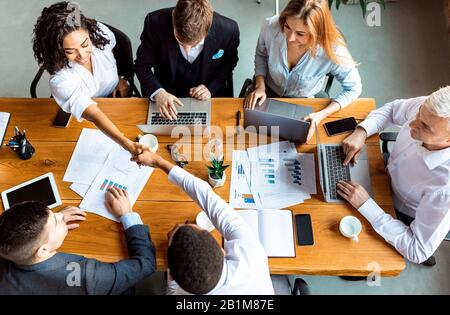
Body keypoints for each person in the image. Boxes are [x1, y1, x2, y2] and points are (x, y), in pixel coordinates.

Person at [131, 151, 274, 295]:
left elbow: (172, 291)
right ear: (221, 251)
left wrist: (158, 161)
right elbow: (208, 198)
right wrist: (159, 161)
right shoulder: (251, 254)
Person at [338, 86, 450, 266]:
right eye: (418, 113)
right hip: (384, 173)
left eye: (425, 127)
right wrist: (362, 132)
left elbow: (418, 250)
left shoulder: (445, 189)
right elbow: (391, 110)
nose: (412, 124)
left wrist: (367, 206)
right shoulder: (428, 110)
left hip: (401, 214)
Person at [0, 187, 156, 294]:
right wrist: (127, 214)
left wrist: (50, 224)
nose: (61, 215)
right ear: (43, 251)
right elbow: (147, 264)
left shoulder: (8, 248)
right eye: (56, 220)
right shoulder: (84, 276)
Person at [32, 2, 141, 155]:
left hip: (115, 98)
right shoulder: (60, 79)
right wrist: (125, 143)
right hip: (87, 116)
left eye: (85, 44)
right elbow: (93, 113)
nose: (82, 56)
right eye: (70, 51)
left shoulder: (101, 33)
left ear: (89, 33)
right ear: (58, 51)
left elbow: (118, 55)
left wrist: (122, 78)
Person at [245, 0, 362, 142]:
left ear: (317, 33)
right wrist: (260, 86)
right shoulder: (271, 26)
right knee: (249, 138)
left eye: (300, 34)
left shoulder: (334, 50)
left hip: (302, 102)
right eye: (287, 27)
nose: (289, 38)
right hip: (267, 92)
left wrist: (322, 115)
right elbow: (261, 54)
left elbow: (354, 88)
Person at [135, 0, 240, 120]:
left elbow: (229, 63)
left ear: (209, 25)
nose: (187, 49)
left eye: (195, 44)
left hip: (210, 97)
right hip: (166, 95)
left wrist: (211, 87)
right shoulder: (154, 22)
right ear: (173, 15)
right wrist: (158, 92)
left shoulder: (229, 30)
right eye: (179, 41)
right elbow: (142, 65)